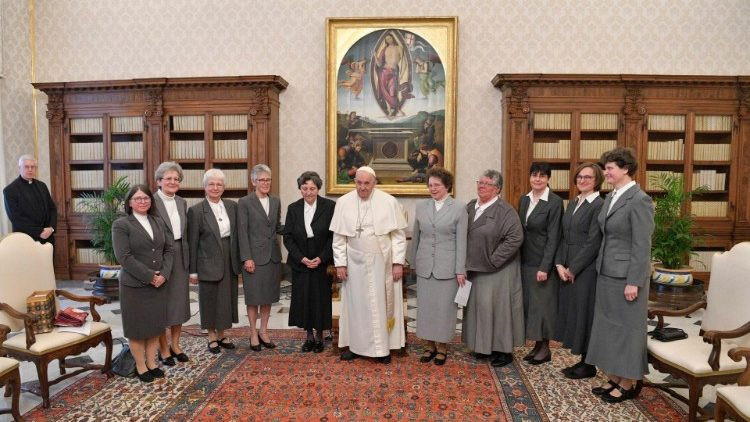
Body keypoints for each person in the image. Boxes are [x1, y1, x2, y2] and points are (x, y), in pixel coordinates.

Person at [587, 147, 654, 403]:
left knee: (627, 329)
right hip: (606, 272)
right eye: (605, 168)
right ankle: (615, 375)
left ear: (625, 168)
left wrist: (634, 281)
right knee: (609, 327)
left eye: (610, 168)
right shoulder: (612, 196)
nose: (605, 173)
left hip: (627, 277)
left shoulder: (639, 200)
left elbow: (642, 245)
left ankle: (628, 382)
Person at [330, 166, 407, 363]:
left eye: (367, 183)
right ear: (354, 182)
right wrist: (340, 264)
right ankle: (356, 347)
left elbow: (398, 237)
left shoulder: (388, 201)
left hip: (381, 262)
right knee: (356, 306)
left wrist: (397, 263)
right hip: (354, 263)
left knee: (379, 305)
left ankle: (382, 350)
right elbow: (339, 238)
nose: (362, 187)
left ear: (374, 183)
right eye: (359, 183)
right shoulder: (343, 202)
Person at [463, 170, 525, 368]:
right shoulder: (470, 207)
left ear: (497, 189)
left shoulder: (505, 211)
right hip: (474, 268)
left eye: (487, 184)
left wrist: (493, 260)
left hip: (498, 270)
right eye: (480, 182)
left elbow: (515, 238)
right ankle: (482, 347)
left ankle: (503, 351)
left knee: (499, 310)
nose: (481, 186)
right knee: (479, 309)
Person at [112, 185, 174, 383]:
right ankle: (140, 365)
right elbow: (124, 257)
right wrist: (149, 276)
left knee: (155, 326)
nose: (142, 201)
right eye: (137, 198)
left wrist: (164, 274)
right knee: (137, 328)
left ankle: (152, 363)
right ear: (130, 203)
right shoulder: (121, 224)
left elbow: (169, 250)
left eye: (146, 198)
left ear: (151, 201)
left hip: (159, 283)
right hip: (134, 285)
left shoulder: (158, 221)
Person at [411, 168, 467, 366]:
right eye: (430, 185)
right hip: (425, 265)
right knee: (426, 308)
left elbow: (462, 241)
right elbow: (416, 236)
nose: (432, 188)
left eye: (437, 185)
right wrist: (413, 262)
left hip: (447, 267)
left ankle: (442, 347)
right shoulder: (421, 207)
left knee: (444, 309)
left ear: (447, 186)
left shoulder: (459, 207)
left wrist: (460, 269)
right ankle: (429, 346)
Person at [553, 163, 604, 379]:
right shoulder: (574, 203)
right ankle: (581, 359)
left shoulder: (599, 205)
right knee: (573, 313)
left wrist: (573, 268)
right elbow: (563, 236)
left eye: (588, 177)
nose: (582, 180)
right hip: (566, 266)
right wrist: (559, 263)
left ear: (597, 180)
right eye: (580, 177)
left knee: (585, 314)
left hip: (585, 269)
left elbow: (593, 242)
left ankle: (589, 364)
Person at [187, 169, 240, 354]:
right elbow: (192, 242)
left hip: (229, 258)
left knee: (226, 298)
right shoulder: (195, 211)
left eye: (219, 184)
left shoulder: (232, 206)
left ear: (224, 187)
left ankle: (222, 334)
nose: (215, 188)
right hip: (207, 260)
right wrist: (193, 271)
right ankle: (211, 336)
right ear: (205, 186)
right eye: (211, 184)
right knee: (209, 299)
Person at [283, 171, 336, 353]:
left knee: (320, 298)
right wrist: (302, 258)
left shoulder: (329, 206)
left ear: (318, 188)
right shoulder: (293, 208)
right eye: (304, 188)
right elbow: (288, 237)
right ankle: (309, 336)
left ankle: (320, 336)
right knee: (303, 298)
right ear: (300, 189)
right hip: (301, 260)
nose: (308, 192)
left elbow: (333, 236)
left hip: (322, 258)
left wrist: (321, 258)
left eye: (312, 188)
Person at [518, 162, 563, 365]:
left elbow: (554, 237)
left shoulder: (554, 202)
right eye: (534, 175)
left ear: (548, 179)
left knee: (543, 306)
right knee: (531, 305)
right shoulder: (524, 199)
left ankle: (545, 348)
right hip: (525, 260)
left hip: (542, 263)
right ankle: (537, 345)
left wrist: (545, 266)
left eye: (542, 176)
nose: (537, 179)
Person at [238, 164, 283, 351]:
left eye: (268, 179)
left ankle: (264, 331)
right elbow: (242, 232)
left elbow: (277, 227)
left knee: (267, 297)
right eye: (261, 180)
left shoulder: (276, 201)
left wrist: (297, 228)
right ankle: (253, 333)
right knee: (253, 297)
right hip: (254, 258)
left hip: (272, 257)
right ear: (253, 182)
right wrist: (246, 258)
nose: (265, 183)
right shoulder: (245, 202)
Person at [152, 162, 191, 366]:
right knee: (161, 305)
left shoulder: (182, 202)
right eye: (168, 178)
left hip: (180, 255)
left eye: (176, 179)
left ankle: (176, 345)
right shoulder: (151, 201)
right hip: (160, 257)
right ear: (159, 181)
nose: (173, 182)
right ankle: (163, 348)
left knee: (179, 304)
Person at [3, 155, 57, 244]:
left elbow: (52, 208)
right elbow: (16, 218)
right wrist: (39, 232)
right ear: (19, 168)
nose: (30, 169)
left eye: (33, 167)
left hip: (47, 237)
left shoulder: (42, 186)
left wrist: (51, 228)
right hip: (26, 239)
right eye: (26, 167)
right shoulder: (10, 190)